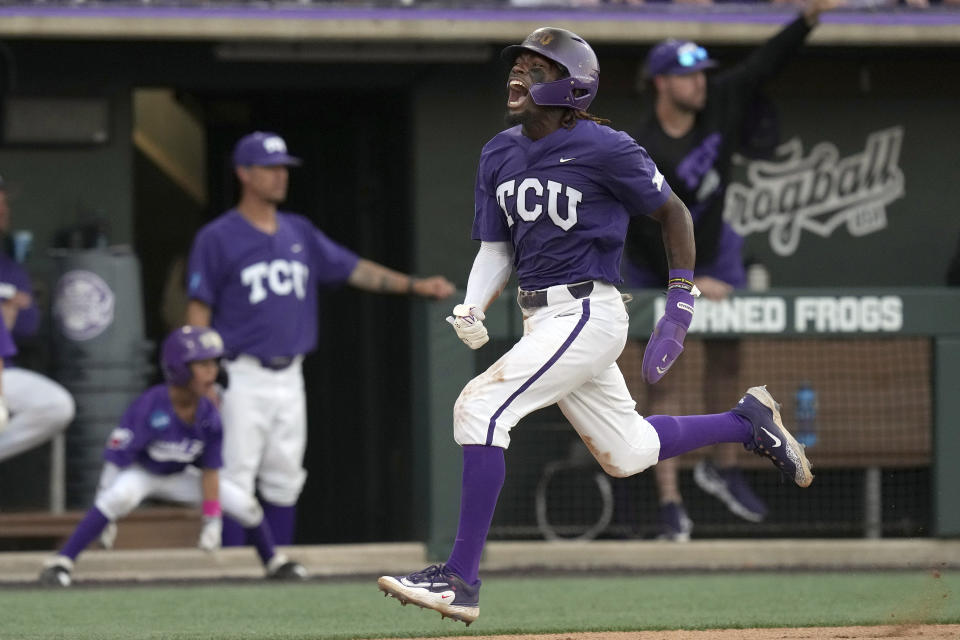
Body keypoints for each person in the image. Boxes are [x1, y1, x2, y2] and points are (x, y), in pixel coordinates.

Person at [377, 27, 814, 626]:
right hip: (541, 316)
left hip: (588, 309)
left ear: (570, 85)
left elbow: (674, 213)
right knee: (627, 452)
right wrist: (475, 303)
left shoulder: (606, 146)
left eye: (536, 68)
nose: (519, 75)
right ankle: (746, 421)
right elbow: (496, 249)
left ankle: (460, 579)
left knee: (479, 408)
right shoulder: (497, 152)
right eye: (520, 65)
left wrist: (680, 303)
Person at [622, 0, 839, 540]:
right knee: (661, 377)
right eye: (688, 75)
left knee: (728, 351)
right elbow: (647, 234)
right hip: (655, 262)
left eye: (702, 74)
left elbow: (765, 63)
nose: (700, 83)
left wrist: (808, 18)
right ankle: (670, 504)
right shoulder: (642, 146)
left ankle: (723, 466)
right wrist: (688, 282)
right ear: (662, 83)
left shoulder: (719, 102)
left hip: (715, 246)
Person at [185, 131, 455, 548]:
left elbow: (354, 269)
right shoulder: (218, 237)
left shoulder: (299, 231)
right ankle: (233, 576)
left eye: (284, 169)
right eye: (270, 168)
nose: (280, 177)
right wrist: (202, 381)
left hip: (290, 373)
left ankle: (278, 565)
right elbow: (198, 314)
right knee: (235, 478)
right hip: (238, 372)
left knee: (285, 476)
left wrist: (416, 286)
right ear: (243, 173)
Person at [38, 326, 306, 587]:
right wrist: (106, 509)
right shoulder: (150, 405)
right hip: (144, 472)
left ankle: (273, 560)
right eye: (203, 365)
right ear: (179, 367)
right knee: (117, 497)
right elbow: (118, 457)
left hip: (180, 476)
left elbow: (210, 470)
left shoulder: (209, 414)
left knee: (246, 505)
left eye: (214, 364)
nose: (212, 373)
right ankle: (62, 562)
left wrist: (211, 518)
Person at [0, 175, 76, 469]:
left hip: (4, 371)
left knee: (57, 405)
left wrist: (9, 317)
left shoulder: (10, 268)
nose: (4, 210)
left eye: (5, 203)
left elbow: (29, 324)